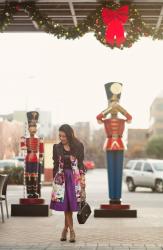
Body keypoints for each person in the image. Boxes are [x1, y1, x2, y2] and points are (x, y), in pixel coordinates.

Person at [50, 124, 86, 243]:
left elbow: (81, 163)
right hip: (61, 180)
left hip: (74, 179)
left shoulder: (78, 146)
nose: (61, 138)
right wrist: (54, 179)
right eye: (60, 136)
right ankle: (72, 231)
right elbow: (55, 164)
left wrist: (82, 178)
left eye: (64, 136)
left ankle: (65, 229)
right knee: (66, 205)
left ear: (69, 135)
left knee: (71, 205)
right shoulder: (56, 148)